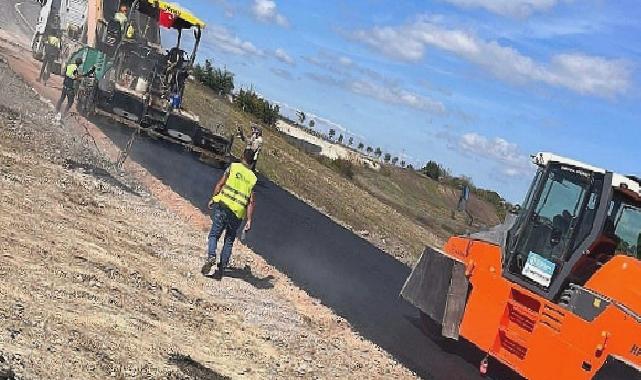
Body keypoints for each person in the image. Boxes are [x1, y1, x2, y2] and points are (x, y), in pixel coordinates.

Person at [201, 149, 258, 278]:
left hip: (223, 207)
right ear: (252, 161)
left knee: (214, 235)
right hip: (237, 214)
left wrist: (213, 199)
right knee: (229, 240)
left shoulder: (233, 167)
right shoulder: (253, 178)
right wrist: (249, 220)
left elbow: (220, 184)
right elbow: (251, 202)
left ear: (242, 156)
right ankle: (222, 267)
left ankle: (211, 256)